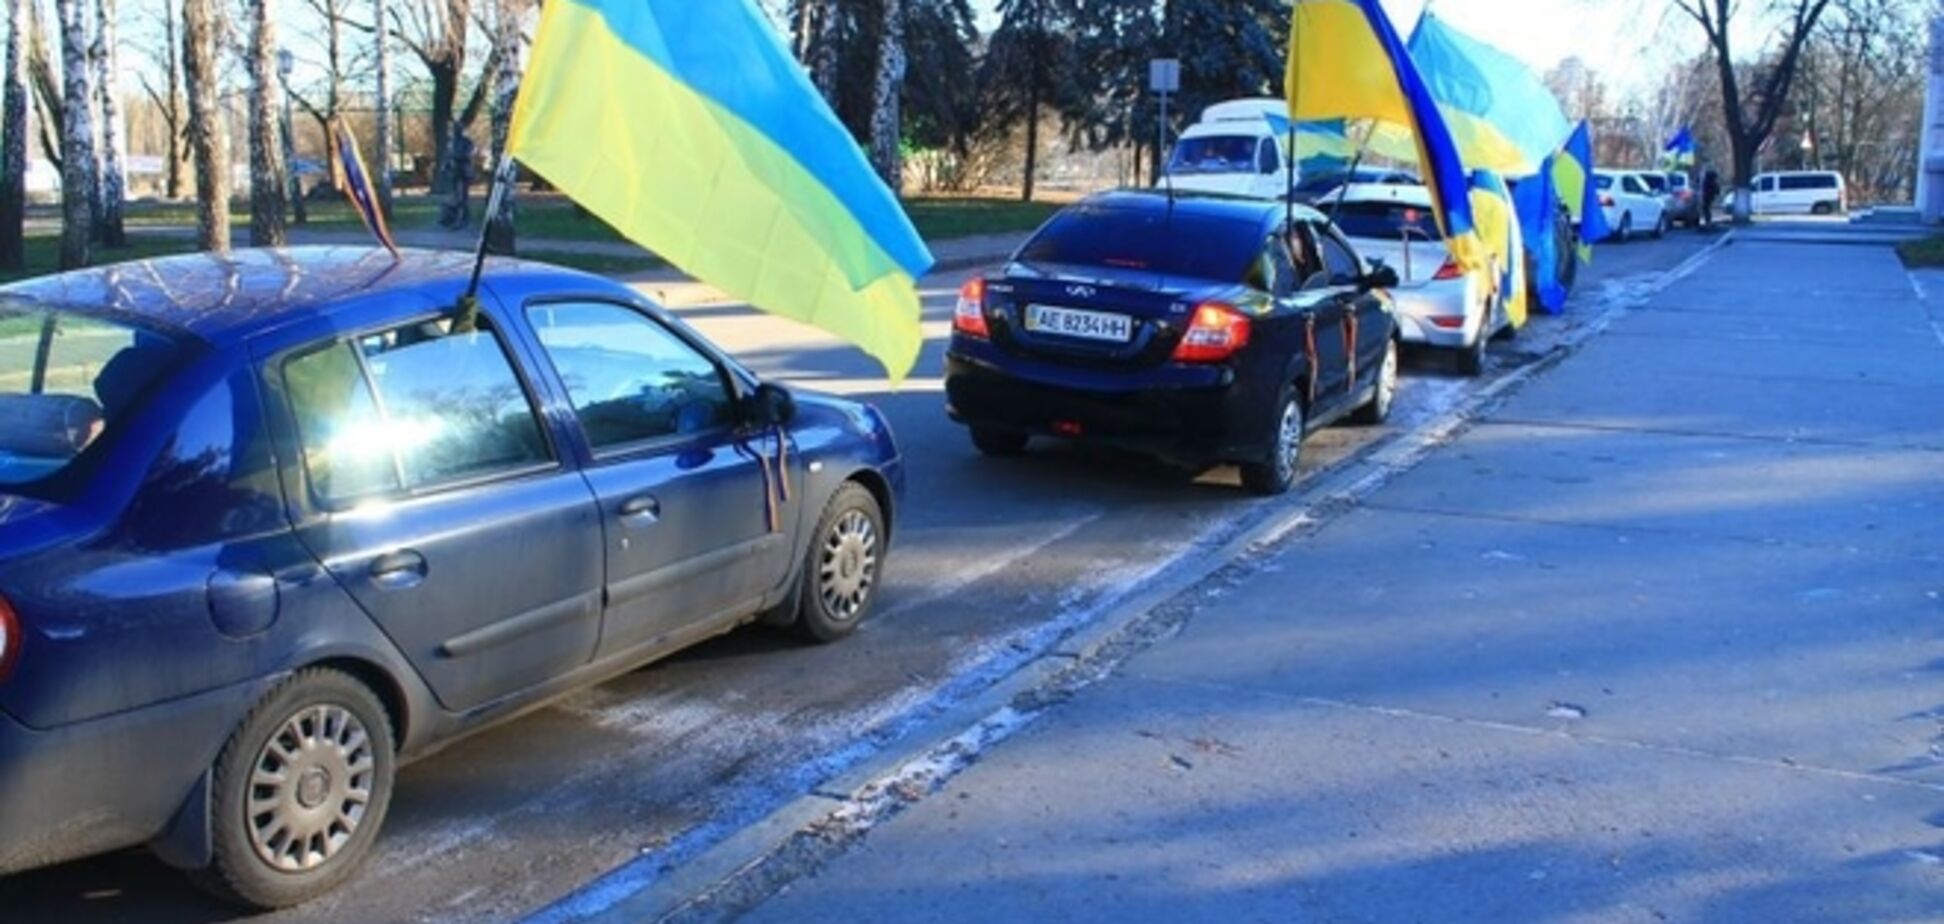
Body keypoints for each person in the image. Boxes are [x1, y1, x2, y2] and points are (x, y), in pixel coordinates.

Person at [439, 128, 477, 230]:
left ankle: (462, 218)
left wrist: (455, 157)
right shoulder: (453, 142)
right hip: (456, 171)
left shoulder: (466, 142)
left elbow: (468, 153)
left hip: (464, 170)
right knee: (457, 195)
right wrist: (446, 165)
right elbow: (448, 155)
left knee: (463, 196)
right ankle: (456, 218)